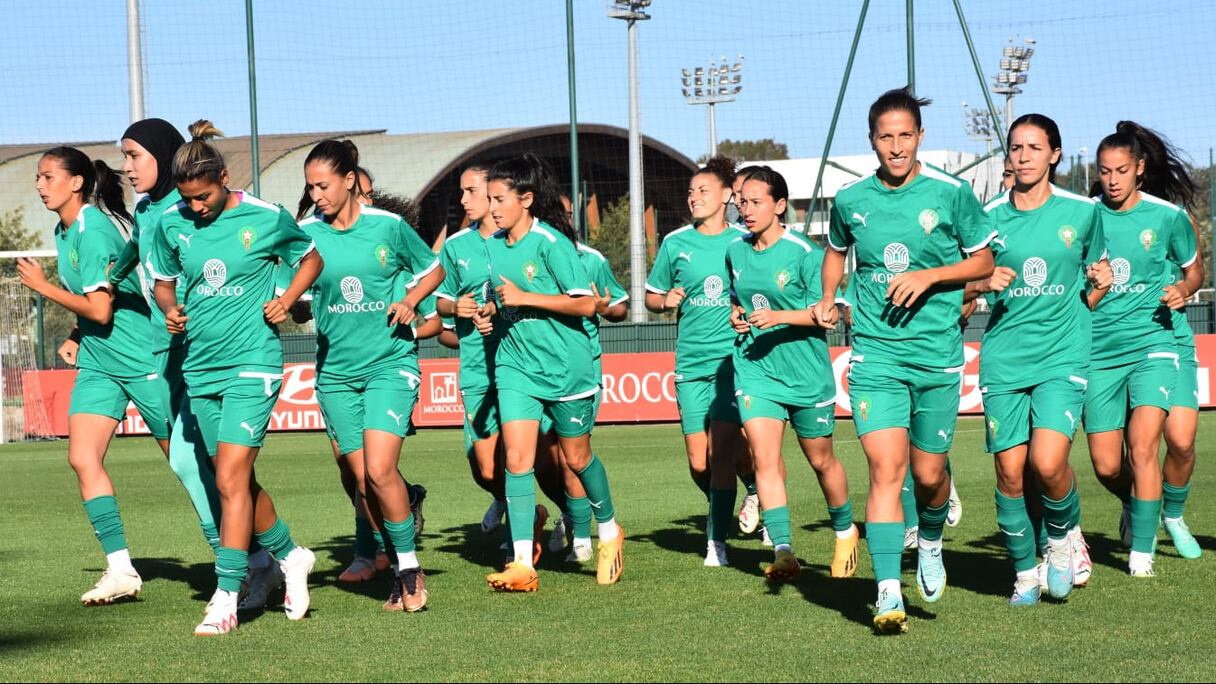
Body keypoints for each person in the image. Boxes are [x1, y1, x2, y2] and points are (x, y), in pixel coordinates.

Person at [812, 87, 995, 634]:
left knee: (929, 474)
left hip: (937, 355)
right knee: (885, 471)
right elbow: (836, 254)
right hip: (875, 355)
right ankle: (888, 590)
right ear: (872, 140)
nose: (896, 146)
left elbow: (984, 260)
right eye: (885, 136)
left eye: (905, 135)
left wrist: (931, 276)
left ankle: (932, 538)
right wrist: (830, 298)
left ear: (920, 136)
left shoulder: (951, 193)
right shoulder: (849, 200)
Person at [150, 120, 323, 635]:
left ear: (224, 178)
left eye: (203, 197)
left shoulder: (265, 216)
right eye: (188, 199)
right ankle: (291, 556)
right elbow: (163, 281)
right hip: (199, 366)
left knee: (227, 479)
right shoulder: (171, 221)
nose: (196, 207)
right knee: (236, 477)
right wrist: (170, 309)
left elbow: (310, 258)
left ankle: (227, 593)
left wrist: (288, 301)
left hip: (254, 362)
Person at [19, 146, 173, 605]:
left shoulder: (94, 229)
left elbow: (103, 310)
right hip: (99, 363)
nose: (40, 185)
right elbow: (94, 300)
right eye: (38, 177)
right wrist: (73, 332)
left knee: (189, 465)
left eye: (48, 177)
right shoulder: (64, 231)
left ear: (77, 182)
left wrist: (45, 289)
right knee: (82, 457)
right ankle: (121, 569)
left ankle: (260, 557)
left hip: (141, 356)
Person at [966, 113, 1109, 605]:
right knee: (1009, 472)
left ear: (1055, 155)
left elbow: (1094, 279)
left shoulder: (1084, 213)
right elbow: (960, 283)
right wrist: (982, 283)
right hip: (1004, 360)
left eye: (1033, 147)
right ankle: (1026, 573)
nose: (1022, 156)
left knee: (1048, 464)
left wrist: (1100, 285)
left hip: (1061, 355)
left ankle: (1063, 539)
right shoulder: (986, 217)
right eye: (1015, 147)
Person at [479, 154, 623, 591]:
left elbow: (584, 304)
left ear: (526, 199)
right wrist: (489, 310)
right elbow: (503, 297)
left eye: (500, 199)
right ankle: (522, 562)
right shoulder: (491, 245)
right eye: (489, 199)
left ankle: (610, 532)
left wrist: (526, 296)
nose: (493, 208)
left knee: (577, 458)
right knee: (517, 461)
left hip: (567, 368)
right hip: (515, 366)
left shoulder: (551, 244)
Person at [1084, 121, 1203, 576]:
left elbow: (1194, 272)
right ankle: (1142, 503)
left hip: (1160, 339)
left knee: (1171, 440)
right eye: (1104, 171)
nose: (1112, 180)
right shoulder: (1084, 215)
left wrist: (1183, 289)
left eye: (1120, 170)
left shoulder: (1167, 217)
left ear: (1139, 169)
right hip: (1099, 350)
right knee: (1106, 463)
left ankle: (1155, 536)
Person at [727, 166, 858, 578]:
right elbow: (738, 297)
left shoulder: (805, 253)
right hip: (755, 369)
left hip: (805, 375)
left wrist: (778, 316)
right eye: (742, 202)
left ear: (780, 205)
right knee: (765, 459)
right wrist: (737, 314)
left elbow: (828, 316)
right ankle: (783, 549)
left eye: (756, 202)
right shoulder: (735, 251)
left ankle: (845, 531)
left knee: (821, 460)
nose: (745, 210)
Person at [645, 157, 757, 564]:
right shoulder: (675, 243)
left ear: (728, 195)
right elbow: (651, 296)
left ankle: (716, 540)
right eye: (691, 192)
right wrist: (664, 301)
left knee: (722, 448)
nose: (694, 197)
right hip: (690, 364)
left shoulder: (745, 241)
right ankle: (754, 489)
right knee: (699, 462)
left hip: (733, 361)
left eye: (703, 191)